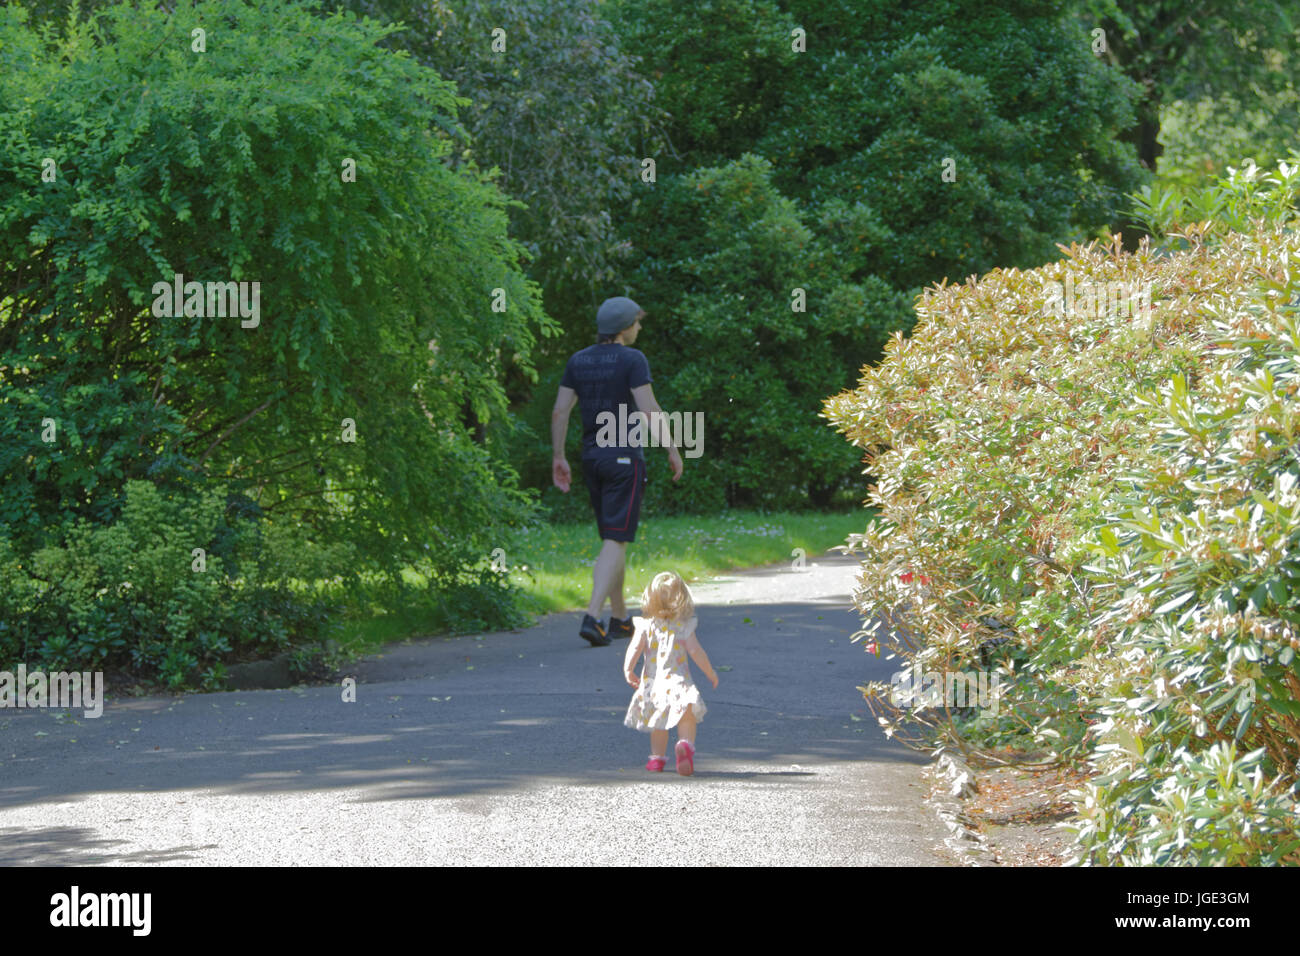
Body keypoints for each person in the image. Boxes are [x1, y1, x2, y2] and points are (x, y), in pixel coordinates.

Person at [551, 295, 683, 646]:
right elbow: (650, 409)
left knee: (614, 539)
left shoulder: (578, 361)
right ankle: (592, 617)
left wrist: (558, 456)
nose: (639, 328)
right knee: (616, 539)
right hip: (624, 459)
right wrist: (672, 449)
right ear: (625, 327)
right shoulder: (632, 359)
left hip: (592, 460)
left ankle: (621, 619)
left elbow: (560, 412)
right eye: (637, 323)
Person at [622, 571, 718, 776]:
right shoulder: (684, 626)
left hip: (654, 685)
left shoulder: (645, 625)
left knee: (659, 722)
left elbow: (634, 648)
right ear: (682, 599)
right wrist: (710, 672)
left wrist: (628, 669)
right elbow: (695, 651)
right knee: (687, 717)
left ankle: (656, 759)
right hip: (679, 683)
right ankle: (685, 745)